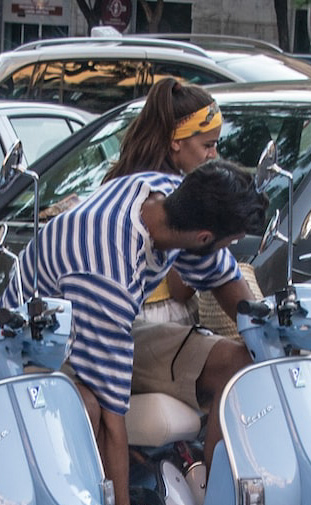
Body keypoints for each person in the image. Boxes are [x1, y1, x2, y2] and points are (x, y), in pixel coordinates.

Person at [0, 159, 267, 505]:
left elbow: (226, 279)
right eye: (228, 242)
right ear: (205, 236)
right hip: (33, 348)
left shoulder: (171, 193)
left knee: (241, 365)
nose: (228, 250)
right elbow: (112, 417)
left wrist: (264, 342)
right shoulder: (109, 272)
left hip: (103, 325)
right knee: (89, 409)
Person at [105, 78, 255, 481]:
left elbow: (221, 275)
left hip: (144, 333)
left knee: (244, 362)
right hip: (119, 333)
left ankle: (214, 491)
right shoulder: (166, 202)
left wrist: (264, 329)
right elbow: (190, 283)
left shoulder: (181, 193)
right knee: (239, 364)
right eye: (207, 145)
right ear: (176, 142)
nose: (214, 155)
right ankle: (214, 493)